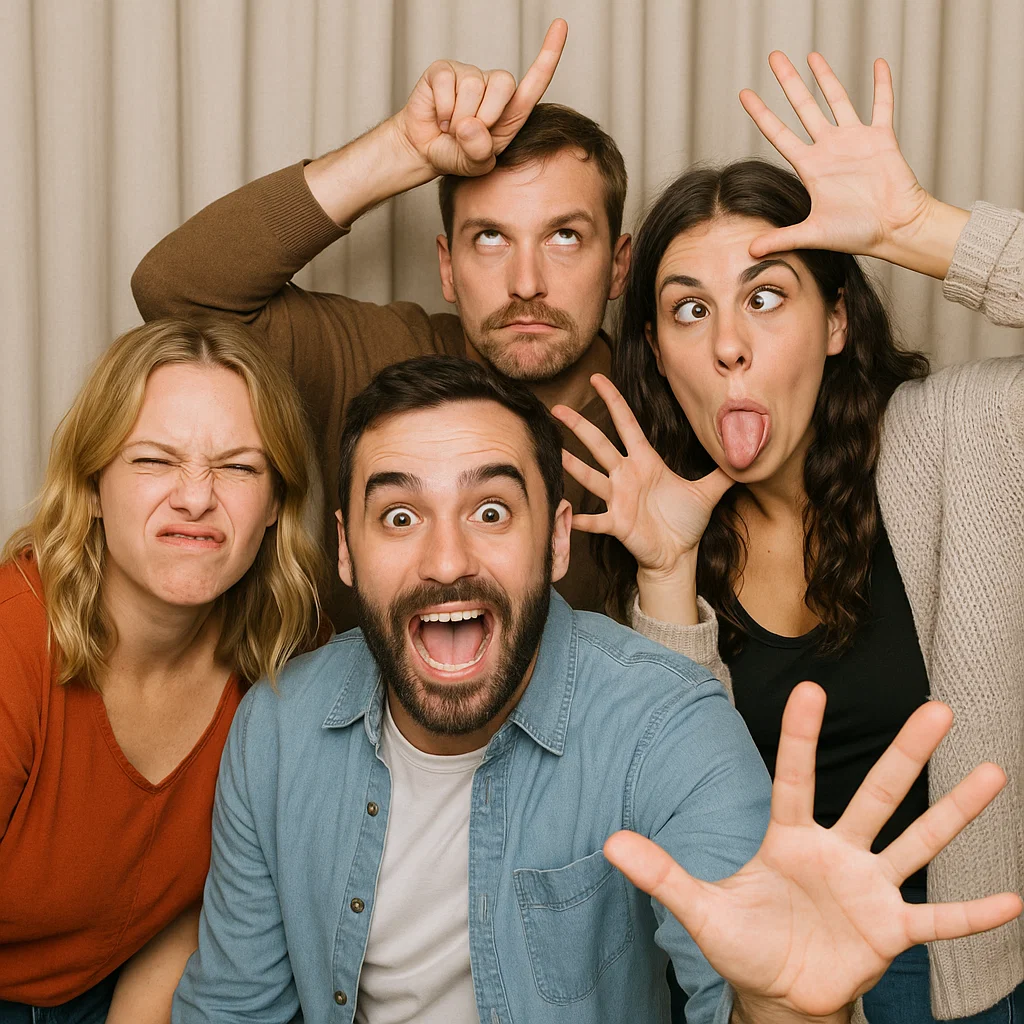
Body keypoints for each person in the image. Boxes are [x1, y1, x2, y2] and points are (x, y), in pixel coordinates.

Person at [171, 355, 1019, 1024]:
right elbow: (232, 1009)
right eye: (400, 516)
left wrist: (788, 1009)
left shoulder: (670, 723)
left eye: (492, 512)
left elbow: (751, 986)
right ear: (346, 553)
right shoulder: (277, 725)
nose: (445, 559)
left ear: (558, 543)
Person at [553, 52, 1024, 1022]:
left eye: (765, 295)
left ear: (837, 322)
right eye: (690, 308)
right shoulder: (656, 538)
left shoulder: (962, 439)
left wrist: (916, 229)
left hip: (990, 967)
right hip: (795, 990)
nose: (728, 340)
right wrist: (666, 573)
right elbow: (690, 840)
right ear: (661, 353)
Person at [131, 19, 631, 630]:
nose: (527, 282)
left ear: (618, 266)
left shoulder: (673, 403)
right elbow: (178, 291)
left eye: (564, 236)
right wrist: (401, 149)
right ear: (447, 268)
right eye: (491, 237)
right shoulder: (389, 362)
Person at [0, 319, 325, 1023]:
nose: (196, 498)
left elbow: (208, 904)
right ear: (90, 487)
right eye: (154, 460)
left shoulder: (290, 655)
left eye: (239, 467)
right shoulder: (12, 645)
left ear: (274, 506)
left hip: (131, 992)